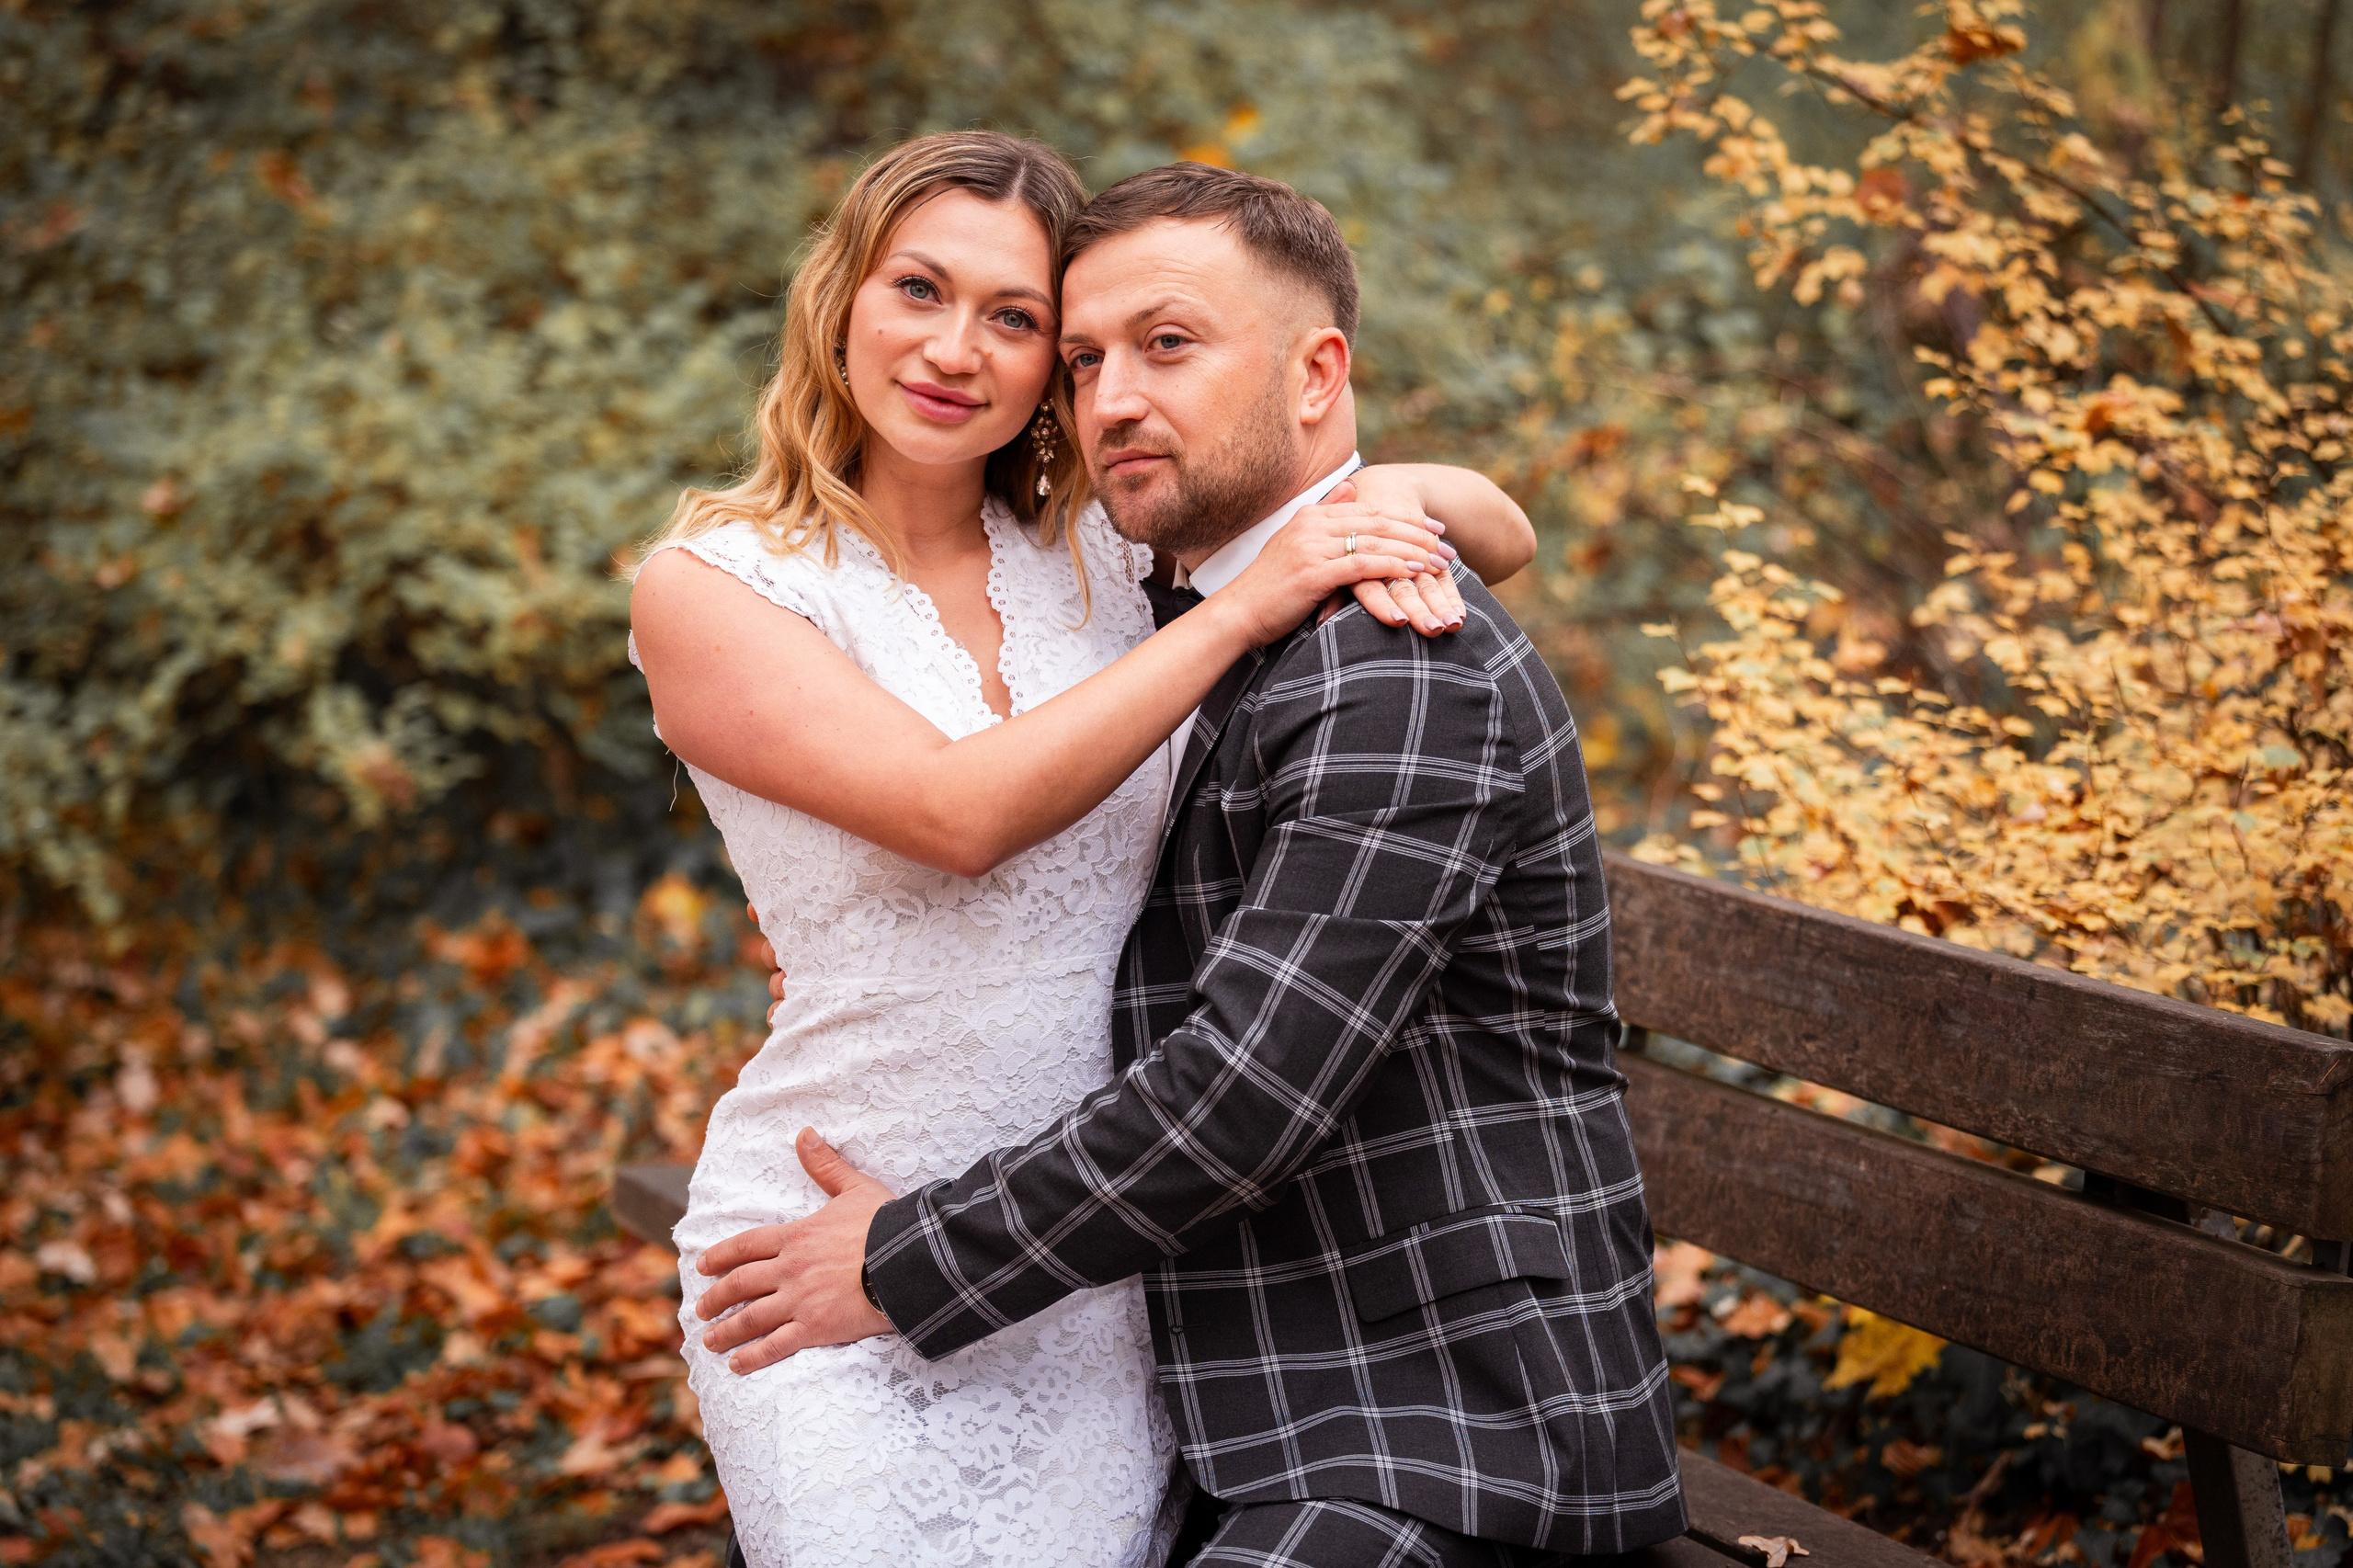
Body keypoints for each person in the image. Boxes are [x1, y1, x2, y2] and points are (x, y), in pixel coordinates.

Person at [694, 162, 1687, 1568]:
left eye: (1165, 345)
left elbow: (1246, 1092)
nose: (1110, 400)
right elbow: (966, 809)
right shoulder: (1173, 598)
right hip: (1205, 1350)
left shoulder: (1393, 658)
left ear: (1315, 372)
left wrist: (909, 1258)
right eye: (1087, 360)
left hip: (1434, 1415)